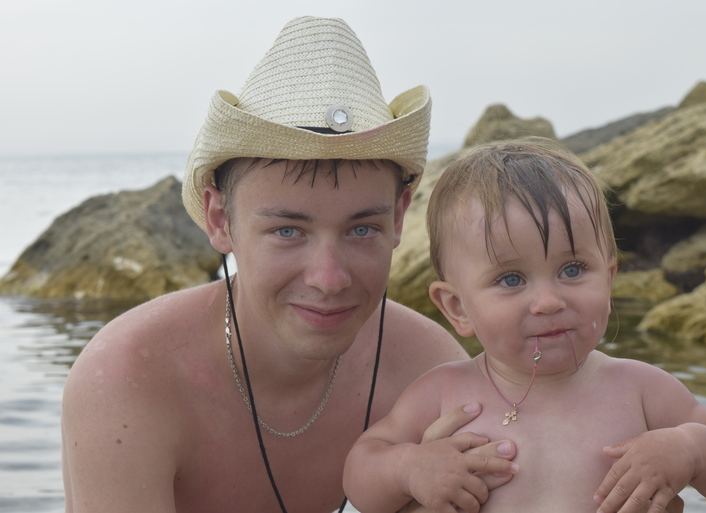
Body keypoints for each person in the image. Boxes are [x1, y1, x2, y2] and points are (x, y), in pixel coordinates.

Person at [60, 17, 519, 513]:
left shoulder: (426, 369)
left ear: (398, 218)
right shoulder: (130, 377)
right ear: (220, 219)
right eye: (287, 231)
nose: (329, 279)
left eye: (361, 229)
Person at [343, 139, 706, 513]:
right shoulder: (442, 392)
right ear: (457, 308)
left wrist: (690, 448)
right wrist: (410, 468)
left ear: (609, 280)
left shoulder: (640, 388)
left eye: (572, 269)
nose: (548, 302)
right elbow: (361, 472)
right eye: (511, 279)